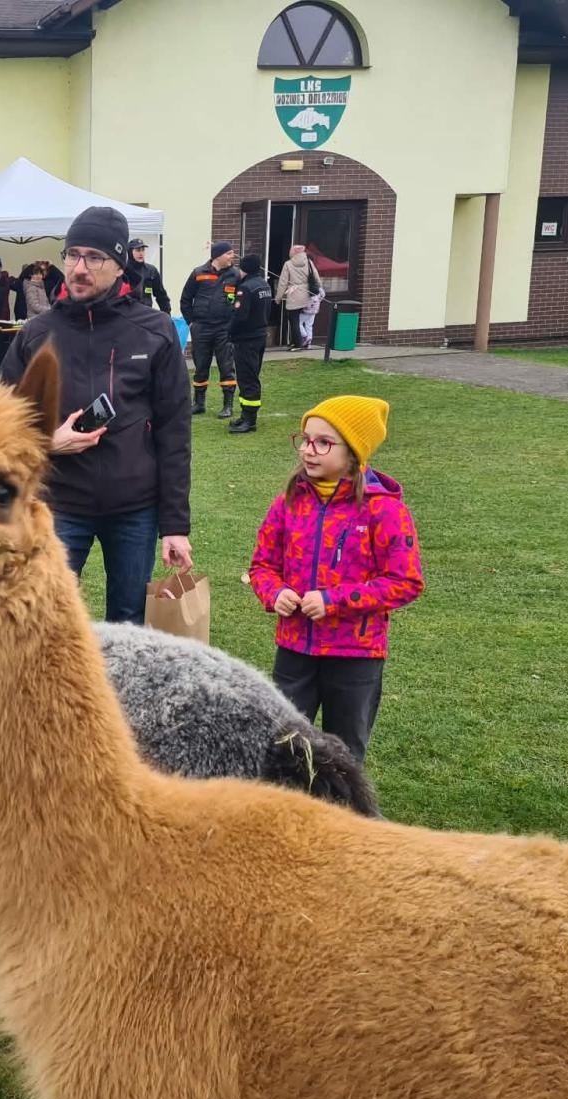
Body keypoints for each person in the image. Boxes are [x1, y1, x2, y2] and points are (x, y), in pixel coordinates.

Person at [0, 206, 193, 624]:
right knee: (43, 619)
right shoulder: (36, 334)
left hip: (134, 508)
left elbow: (175, 433)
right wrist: (49, 443)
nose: (79, 268)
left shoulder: (155, 330)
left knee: (128, 622)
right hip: (58, 503)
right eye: (72, 255)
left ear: (120, 265)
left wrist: (174, 524)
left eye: (94, 258)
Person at [249, 395, 423, 763]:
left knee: (343, 757)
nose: (309, 451)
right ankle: (285, 819)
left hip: (355, 656)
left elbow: (405, 580)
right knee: (283, 750)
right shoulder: (287, 503)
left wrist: (334, 601)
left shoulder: (384, 509)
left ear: (354, 452)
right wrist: (274, 592)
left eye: (324, 442)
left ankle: (342, 819)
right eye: (305, 439)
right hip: (294, 650)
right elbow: (262, 565)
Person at [180, 240, 242, 420]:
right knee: (201, 365)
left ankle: (228, 405)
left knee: (226, 365)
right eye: (229, 253)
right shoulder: (198, 273)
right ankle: (198, 403)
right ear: (218, 256)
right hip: (201, 327)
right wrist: (191, 322)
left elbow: (241, 299)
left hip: (224, 328)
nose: (233, 256)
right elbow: (186, 299)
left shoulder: (235, 274)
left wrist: (233, 322)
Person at [228, 253, 275, 434]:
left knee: (247, 378)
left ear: (245, 269)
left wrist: (229, 332)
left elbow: (240, 316)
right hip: (260, 336)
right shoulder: (264, 285)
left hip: (246, 339)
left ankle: (249, 420)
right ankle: (245, 416)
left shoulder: (246, 288)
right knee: (251, 374)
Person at [275, 243, 324, 350]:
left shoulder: (288, 264)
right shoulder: (309, 262)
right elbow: (316, 277)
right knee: (306, 321)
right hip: (308, 294)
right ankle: (302, 341)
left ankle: (298, 343)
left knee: (294, 320)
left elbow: (283, 282)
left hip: (294, 295)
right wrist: (319, 289)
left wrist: (278, 298)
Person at [122, 239, 171, 314]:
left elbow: (161, 296)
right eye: (138, 250)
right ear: (130, 252)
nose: (141, 253)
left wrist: (167, 316)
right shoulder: (123, 271)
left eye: (143, 250)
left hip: (146, 315)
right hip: (128, 314)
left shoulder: (151, 270)